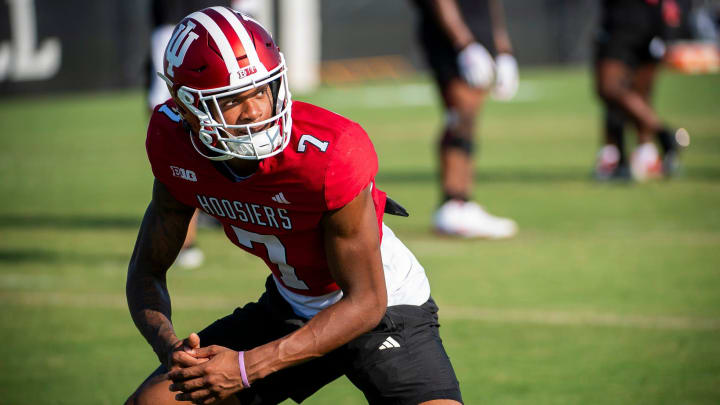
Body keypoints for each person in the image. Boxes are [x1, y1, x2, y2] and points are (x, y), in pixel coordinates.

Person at [126, 7, 463, 405]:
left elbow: (366, 303)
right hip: (291, 304)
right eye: (231, 99)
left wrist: (245, 367)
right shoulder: (174, 143)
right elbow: (147, 270)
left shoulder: (329, 153)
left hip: (385, 306)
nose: (254, 111)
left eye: (261, 90)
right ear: (186, 108)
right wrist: (172, 350)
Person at [411, 0, 519, 239]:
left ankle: (460, 202)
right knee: (461, 113)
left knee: (467, 116)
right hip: (451, 35)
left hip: (476, 33)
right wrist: (464, 42)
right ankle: (454, 202)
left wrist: (503, 48)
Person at [593, 0, 691, 181]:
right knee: (633, 95)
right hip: (648, 18)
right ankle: (633, 156)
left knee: (611, 88)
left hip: (629, 19)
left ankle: (662, 137)